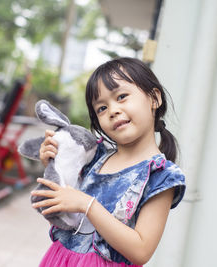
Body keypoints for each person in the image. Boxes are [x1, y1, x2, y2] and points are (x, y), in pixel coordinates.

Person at [31, 57, 186, 266]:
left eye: (121, 96)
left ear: (154, 98)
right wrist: (52, 162)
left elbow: (141, 251)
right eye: (101, 108)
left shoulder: (161, 176)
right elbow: (68, 197)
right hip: (60, 259)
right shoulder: (96, 156)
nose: (112, 110)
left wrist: (87, 205)